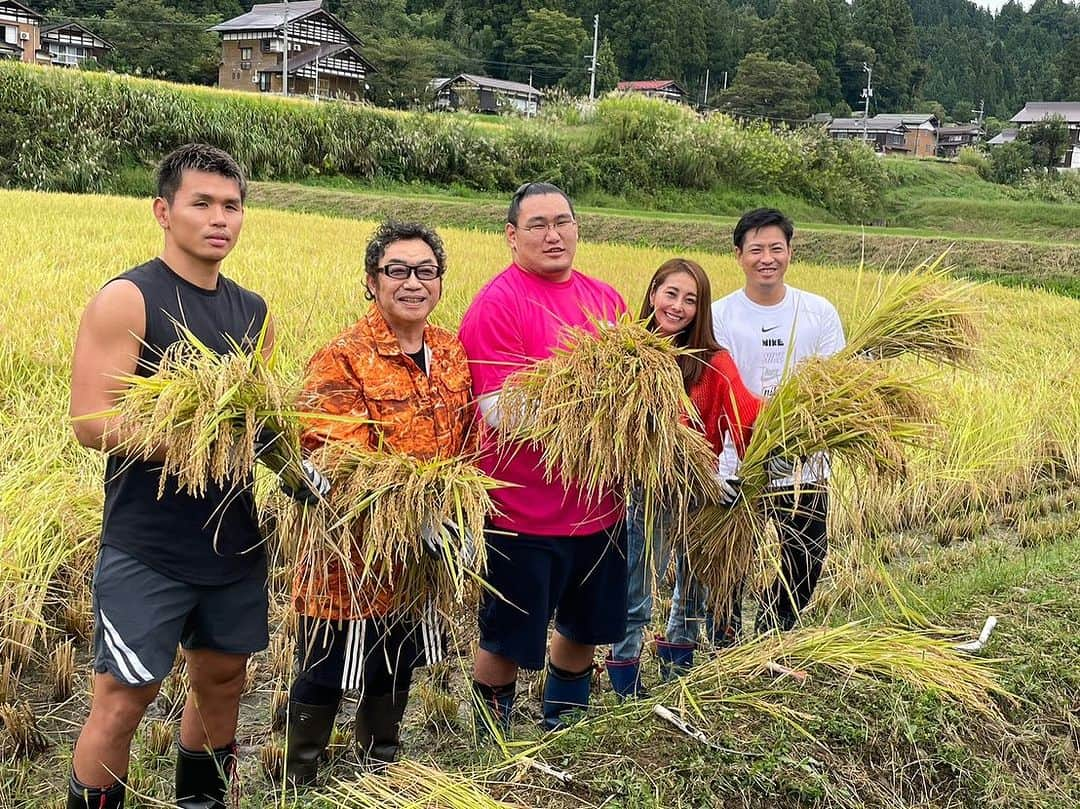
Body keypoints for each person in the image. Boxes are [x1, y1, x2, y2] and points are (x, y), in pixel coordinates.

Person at [67, 144, 281, 809]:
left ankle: (204, 802)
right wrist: (196, 437)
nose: (220, 218)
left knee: (222, 680)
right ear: (164, 211)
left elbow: (263, 425)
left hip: (233, 540)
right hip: (148, 543)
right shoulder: (129, 298)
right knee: (125, 697)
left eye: (232, 205)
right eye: (203, 203)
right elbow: (91, 419)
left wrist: (316, 472)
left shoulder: (255, 313)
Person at [283, 221, 475, 784]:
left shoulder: (450, 351)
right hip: (348, 554)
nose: (412, 282)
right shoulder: (341, 356)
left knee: (396, 661)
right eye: (398, 271)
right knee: (322, 667)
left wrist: (455, 515)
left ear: (439, 282)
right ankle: (301, 777)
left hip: (422, 553)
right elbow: (333, 453)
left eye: (425, 271)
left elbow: (464, 441)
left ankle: (379, 770)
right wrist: (407, 513)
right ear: (373, 281)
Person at [458, 182, 628, 733]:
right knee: (508, 637)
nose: (553, 235)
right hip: (523, 514)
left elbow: (635, 389)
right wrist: (594, 404)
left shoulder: (608, 301)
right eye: (537, 225)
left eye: (563, 221)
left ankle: (565, 733)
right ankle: (491, 743)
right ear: (512, 236)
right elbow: (500, 409)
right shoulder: (497, 303)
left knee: (583, 630)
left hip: (600, 508)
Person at [606, 259, 760, 697]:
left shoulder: (713, 362)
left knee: (693, 588)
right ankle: (626, 684)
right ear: (653, 293)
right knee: (636, 588)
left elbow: (745, 417)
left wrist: (789, 421)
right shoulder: (626, 356)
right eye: (670, 293)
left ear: (701, 309)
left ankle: (678, 672)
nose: (677, 306)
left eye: (690, 300)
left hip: (701, 491)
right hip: (641, 494)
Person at [710, 207, 846, 637]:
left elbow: (834, 382)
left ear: (790, 251)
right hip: (738, 466)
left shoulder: (818, 311)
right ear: (738, 255)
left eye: (776, 248)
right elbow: (720, 389)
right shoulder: (719, 316)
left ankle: (773, 633)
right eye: (756, 249)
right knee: (727, 563)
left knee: (806, 557)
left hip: (804, 465)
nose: (766, 258)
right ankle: (724, 646)